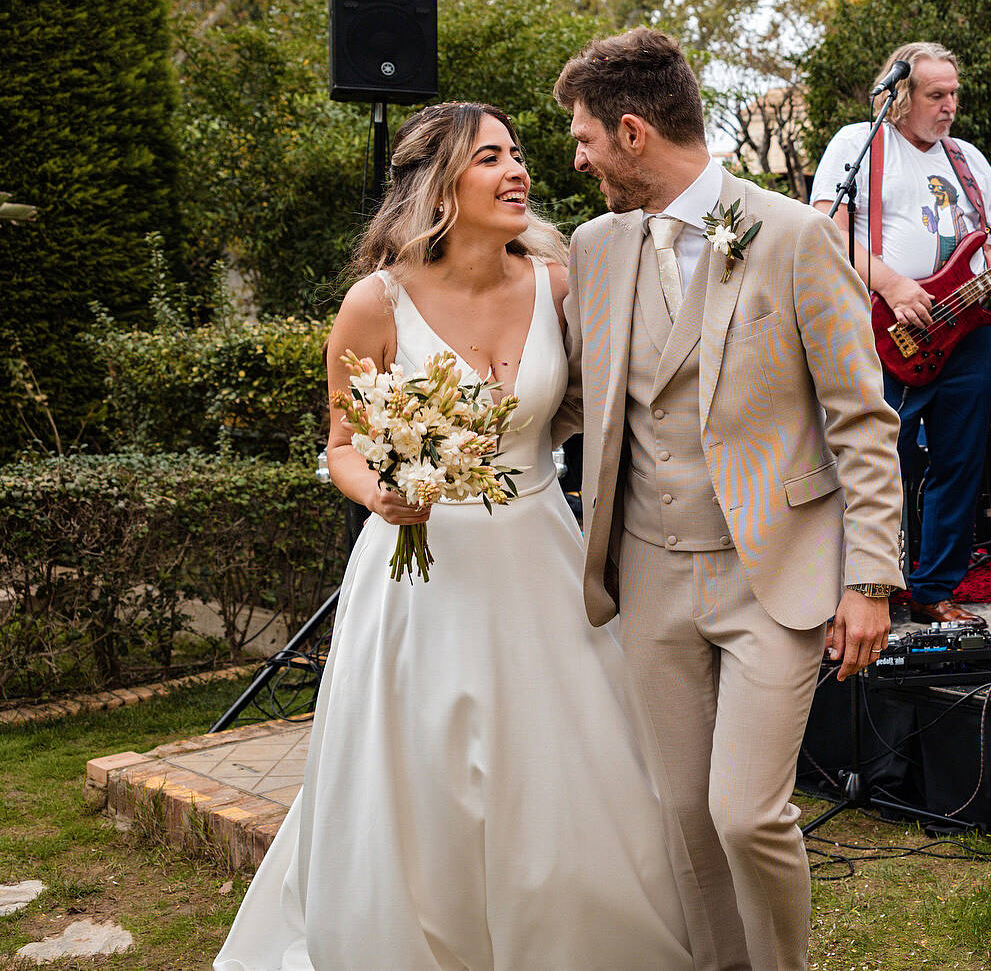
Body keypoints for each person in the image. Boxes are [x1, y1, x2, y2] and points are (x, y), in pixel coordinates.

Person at [218, 102, 693, 971]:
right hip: (419, 578)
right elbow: (341, 445)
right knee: (423, 775)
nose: (518, 171)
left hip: (541, 560)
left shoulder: (558, 286)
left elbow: (615, 400)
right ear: (440, 185)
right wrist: (381, 494)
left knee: (564, 765)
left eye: (517, 154)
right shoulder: (377, 303)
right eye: (490, 158)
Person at [554, 27, 904, 971]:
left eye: (585, 138)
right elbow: (576, 396)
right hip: (648, 573)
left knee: (745, 813)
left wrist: (870, 578)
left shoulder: (793, 237)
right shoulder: (594, 248)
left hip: (773, 573)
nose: (578, 160)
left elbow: (861, 420)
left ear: (633, 133)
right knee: (684, 815)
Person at [811, 42, 991, 626]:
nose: (950, 106)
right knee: (877, 461)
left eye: (954, 94)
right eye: (936, 95)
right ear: (900, 95)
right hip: (882, 327)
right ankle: (863, 587)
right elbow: (827, 232)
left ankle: (934, 590)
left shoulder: (968, 160)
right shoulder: (859, 143)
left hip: (965, 331)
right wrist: (893, 285)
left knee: (961, 461)